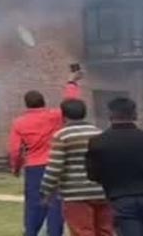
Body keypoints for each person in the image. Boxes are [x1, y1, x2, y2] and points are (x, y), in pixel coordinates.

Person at [85, 97, 143, 236]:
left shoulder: (98, 142)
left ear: (110, 115)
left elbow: (93, 175)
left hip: (121, 199)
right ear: (135, 114)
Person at [7, 69, 84, 236]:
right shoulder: (54, 116)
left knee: (33, 204)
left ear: (27, 105)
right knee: (56, 204)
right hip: (56, 164)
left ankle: (31, 232)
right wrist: (72, 82)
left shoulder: (19, 122)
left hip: (34, 166)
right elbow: (70, 102)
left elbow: (15, 150)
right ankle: (54, 233)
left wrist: (16, 167)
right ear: (43, 102)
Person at [39, 99, 113, 236]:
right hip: (102, 191)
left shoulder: (62, 135)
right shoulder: (100, 133)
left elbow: (55, 167)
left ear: (63, 115)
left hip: (75, 193)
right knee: (105, 231)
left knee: (83, 231)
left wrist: (46, 191)